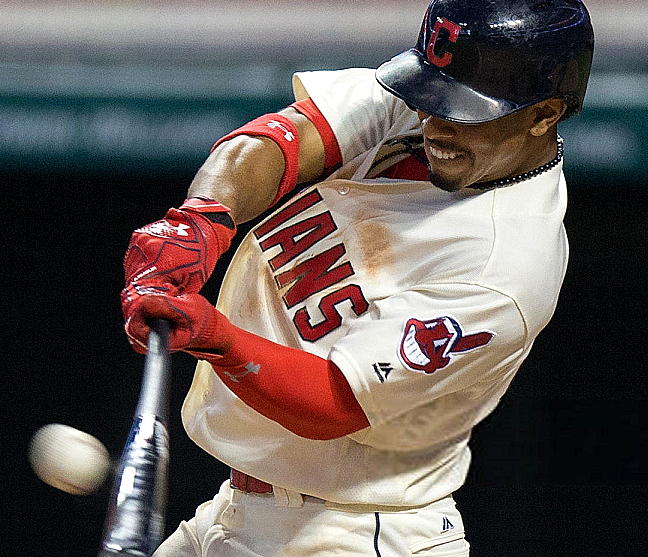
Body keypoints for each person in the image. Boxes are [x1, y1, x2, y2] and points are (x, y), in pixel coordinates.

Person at [120, 0, 594, 554]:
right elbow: (283, 139)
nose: (434, 121)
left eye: (464, 110)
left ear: (544, 114)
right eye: (430, 96)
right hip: (247, 509)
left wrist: (214, 337)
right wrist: (200, 221)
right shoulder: (424, 108)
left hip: (353, 532)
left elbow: (332, 402)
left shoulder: (505, 267)